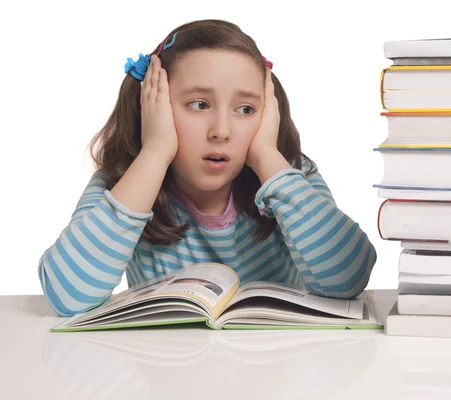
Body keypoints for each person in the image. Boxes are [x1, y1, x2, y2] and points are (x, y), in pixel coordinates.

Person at [37, 19, 377, 317]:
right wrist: (154, 152)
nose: (221, 131)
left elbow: (348, 279)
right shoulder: (125, 184)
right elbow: (68, 297)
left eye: (245, 109)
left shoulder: (290, 178)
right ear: (152, 107)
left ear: (268, 113)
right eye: (199, 105)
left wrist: (266, 156)